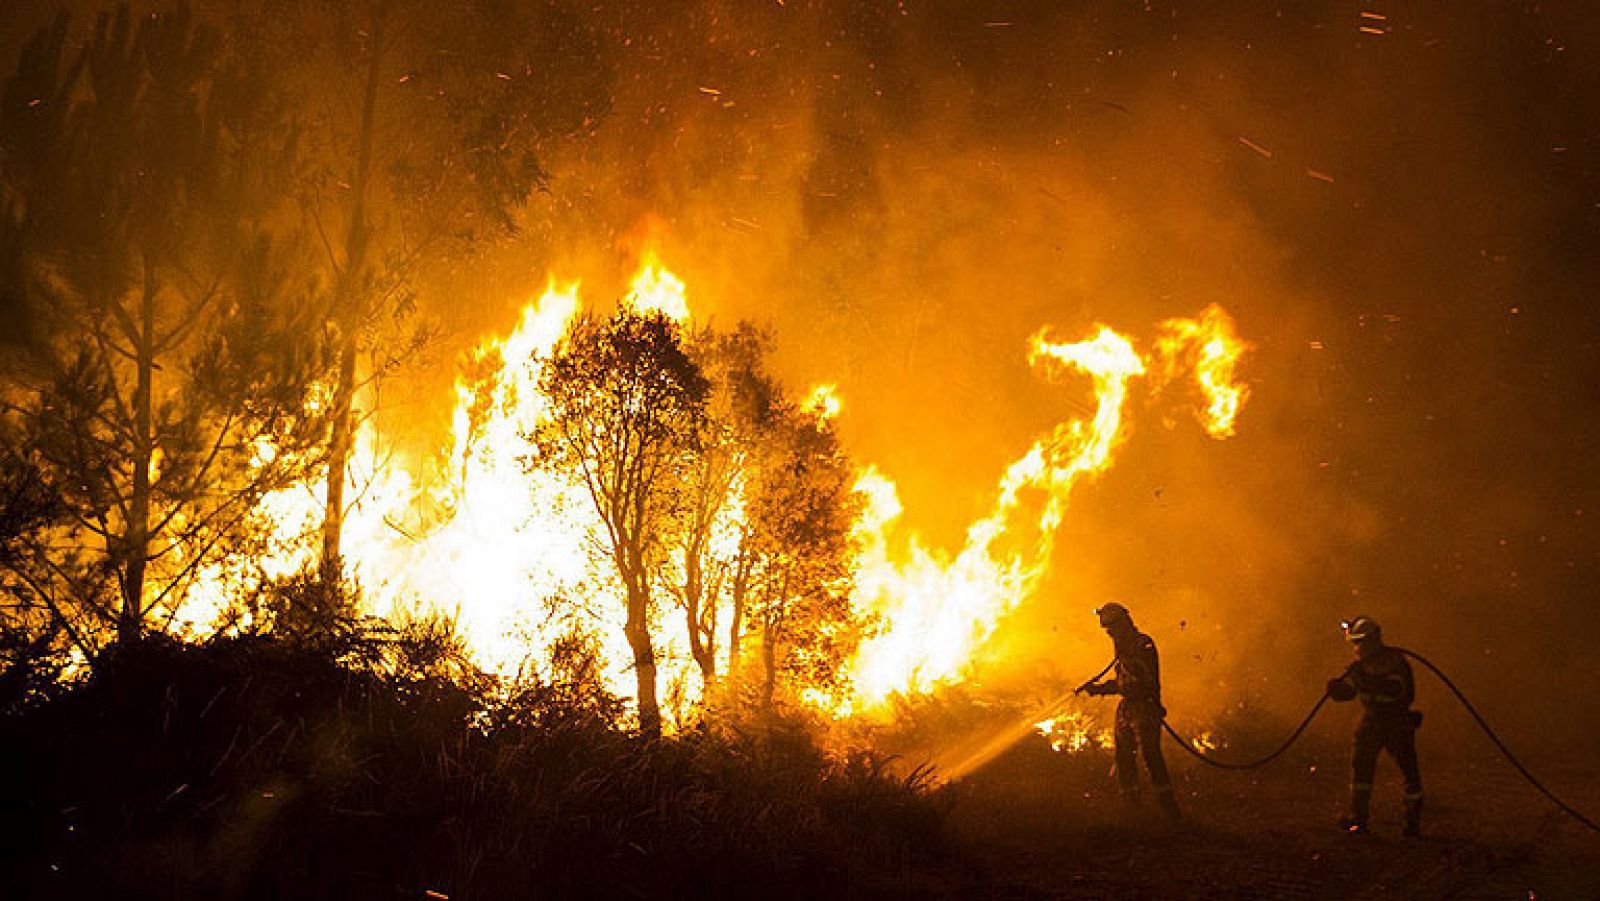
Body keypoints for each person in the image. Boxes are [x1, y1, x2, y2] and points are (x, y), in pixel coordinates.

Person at [1079, 602, 1181, 820]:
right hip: (1127, 708)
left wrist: (1127, 658)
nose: (1109, 634)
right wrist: (1097, 689)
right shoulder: (1123, 649)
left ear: (1122, 624)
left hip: (1145, 707)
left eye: (1111, 629)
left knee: (1151, 755)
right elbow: (1121, 683)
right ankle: (1132, 809)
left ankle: (1169, 809)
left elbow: (1143, 680)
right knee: (1123, 757)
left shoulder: (1143, 645)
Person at [1326, 615, 1424, 836]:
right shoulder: (1360, 667)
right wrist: (1337, 690)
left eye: (1360, 642)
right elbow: (1350, 691)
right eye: (1355, 643)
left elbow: (1396, 689)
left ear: (1373, 640)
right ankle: (1358, 819)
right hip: (1371, 720)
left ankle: (1411, 818)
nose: (1357, 648)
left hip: (1396, 721)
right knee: (1361, 766)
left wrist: (1362, 680)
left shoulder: (1395, 662)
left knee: (1408, 769)